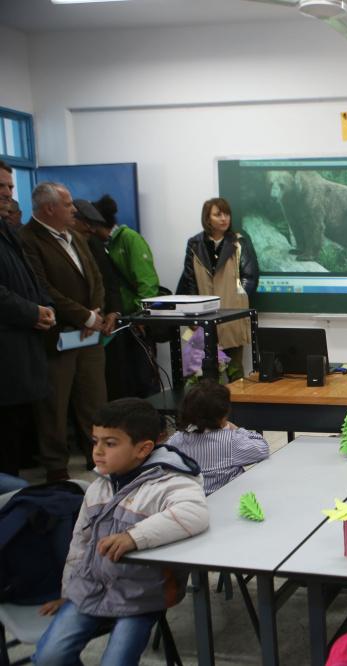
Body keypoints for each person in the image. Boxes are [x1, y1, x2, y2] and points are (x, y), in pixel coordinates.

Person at [33, 398, 209, 665]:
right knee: (49, 658)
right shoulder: (99, 486)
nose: (97, 451)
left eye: (110, 443)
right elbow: (79, 543)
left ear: (143, 449)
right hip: (91, 587)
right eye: (95, 441)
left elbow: (194, 513)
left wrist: (133, 537)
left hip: (141, 595)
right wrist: (68, 593)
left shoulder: (169, 480)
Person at [20, 182, 106, 482]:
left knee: (94, 400)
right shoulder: (27, 239)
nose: (74, 210)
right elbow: (42, 288)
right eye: (68, 205)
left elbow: (95, 276)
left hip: (89, 335)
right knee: (54, 407)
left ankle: (99, 456)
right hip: (56, 336)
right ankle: (56, 467)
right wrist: (84, 317)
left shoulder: (75, 236)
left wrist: (95, 313)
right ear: (49, 208)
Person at [76, 195, 162, 398]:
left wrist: (141, 315)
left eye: (91, 226)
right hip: (117, 322)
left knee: (143, 376)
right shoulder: (100, 244)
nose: (89, 231)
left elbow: (148, 282)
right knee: (123, 377)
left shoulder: (129, 238)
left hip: (135, 320)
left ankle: (152, 415)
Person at [0, 162, 53, 477]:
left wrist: (45, 306)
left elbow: (30, 278)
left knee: (13, 437)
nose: (8, 193)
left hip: (20, 352)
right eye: (1, 187)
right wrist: (32, 312)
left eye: (9, 186)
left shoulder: (7, 230)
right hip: (6, 356)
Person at [176, 197, 259, 380]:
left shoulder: (238, 242)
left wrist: (237, 300)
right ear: (207, 218)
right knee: (205, 371)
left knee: (235, 370)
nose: (224, 218)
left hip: (233, 314)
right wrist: (193, 314)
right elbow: (189, 280)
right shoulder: (195, 244)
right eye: (218, 214)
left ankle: (237, 398)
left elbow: (250, 277)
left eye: (227, 214)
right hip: (204, 316)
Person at [164, 379, 270, 495]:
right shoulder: (230, 441)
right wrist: (236, 429)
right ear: (224, 415)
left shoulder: (175, 441)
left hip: (193, 499)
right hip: (228, 498)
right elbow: (263, 448)